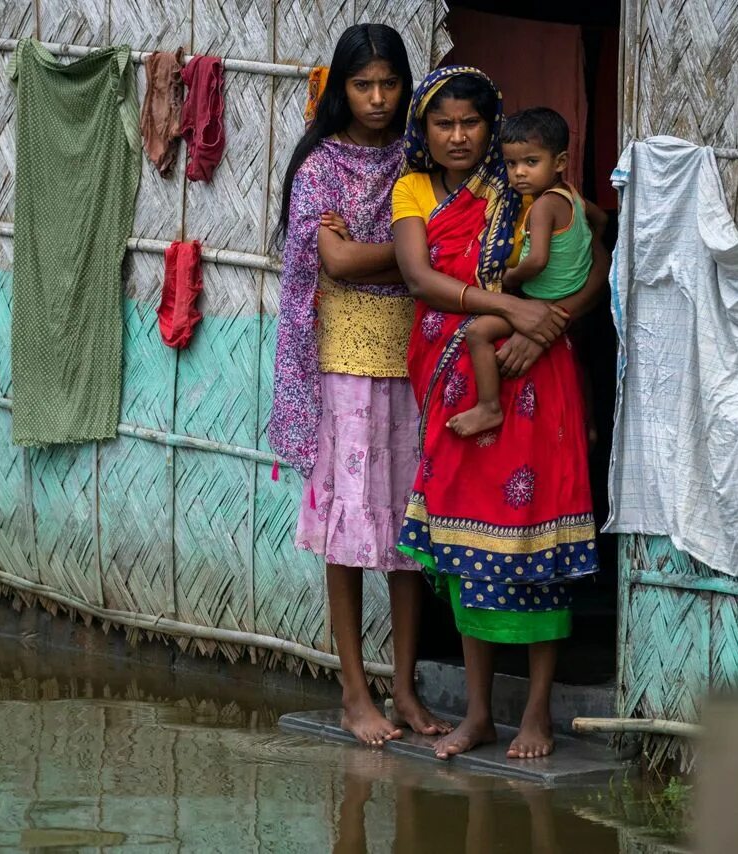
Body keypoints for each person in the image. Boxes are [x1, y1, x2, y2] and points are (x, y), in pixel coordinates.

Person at [391, 67, 607, 760]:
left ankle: (537, 713)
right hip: (461, 385)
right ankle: (480, 714)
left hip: (540, 378)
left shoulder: (532, 189)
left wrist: (549, 323)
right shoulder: (416, 190)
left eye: (471, 123)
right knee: (465, 546)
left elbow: (601, 256)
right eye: (443, 123)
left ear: (493, 127)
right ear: (423, 129)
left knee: (539, 545)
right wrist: (514, 311)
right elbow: (422, 278)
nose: (458, 136)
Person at [269, 23, 449, 747]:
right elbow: (336, 265)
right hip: (343, 362)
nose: (378, 98)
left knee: (408, 529)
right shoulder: (319, 168)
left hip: (412, 359)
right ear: (340, 89)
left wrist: (386, 255)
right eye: (362, 84)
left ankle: (403, 689)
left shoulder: (422, 158)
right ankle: (352, 691)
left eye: (390, 84)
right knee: (348, 533)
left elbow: (433, 246)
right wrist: (410, 255)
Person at [448, 107, 600, 438]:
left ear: (559, 163)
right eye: (512, 164)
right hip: (570, 297)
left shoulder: (542, 206)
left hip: (542, 301)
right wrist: (582, 244)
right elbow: (601, 220)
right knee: (582, 363)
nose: (519, 173)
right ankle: (589, 426)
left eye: (531, 162)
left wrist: (511, 277)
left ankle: (489, 407)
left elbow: (539, 260)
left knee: (477, 333)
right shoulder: (572, 196)